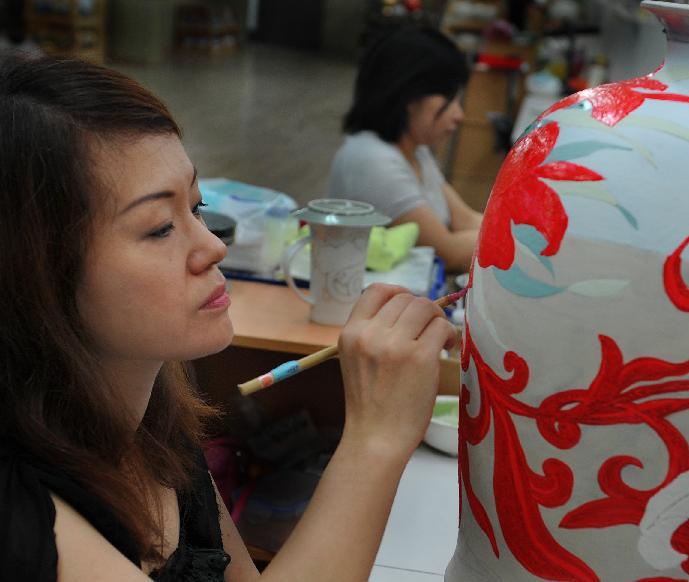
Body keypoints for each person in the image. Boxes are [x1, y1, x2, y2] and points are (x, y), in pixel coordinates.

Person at [0, 54, 456, 581]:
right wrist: (374, 441)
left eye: (195, 208)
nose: (213, 247)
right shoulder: (25, 519)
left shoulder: (153, 425)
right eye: (158, 228)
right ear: (35, 274)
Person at [327, 27, 483, 273]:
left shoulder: (415, 150)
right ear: (410, 96)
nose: (458, 115)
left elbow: (465, 220)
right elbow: (447, 253)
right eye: (450, 99)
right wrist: (522, 244)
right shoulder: (372, 160)